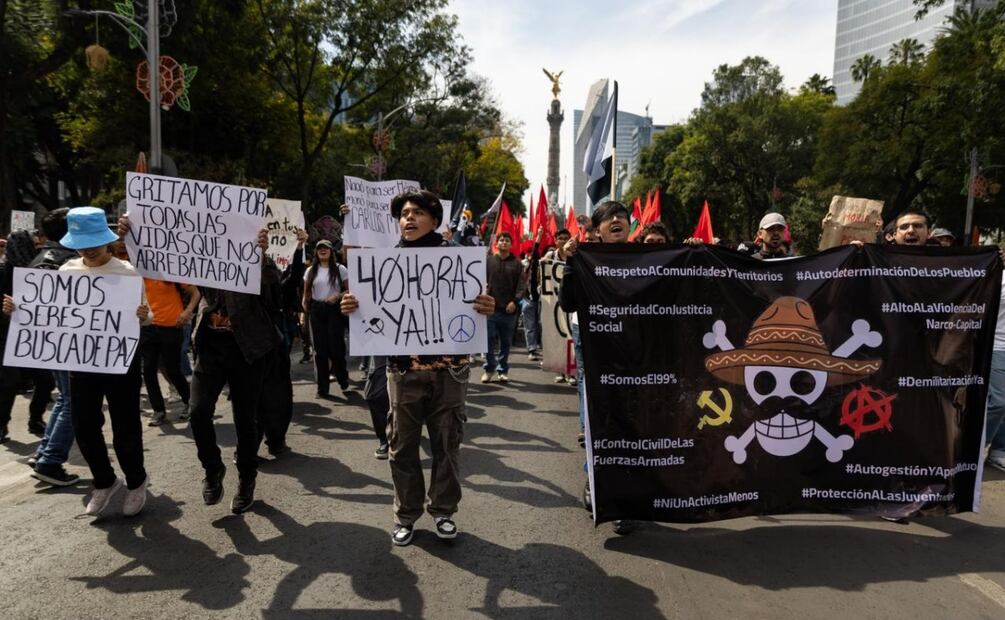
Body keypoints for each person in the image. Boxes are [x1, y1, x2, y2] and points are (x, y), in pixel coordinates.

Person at [341, 189, 495, 546]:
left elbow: (479, 304)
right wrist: (352, 306)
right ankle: (406, 515)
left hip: (450, 372)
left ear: (435, 221)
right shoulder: (382, 264)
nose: (408, 218)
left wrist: (487, 304)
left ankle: (443, 511)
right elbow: (367, 312)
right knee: (401, 447)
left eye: (417, 213)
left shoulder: (460, 259)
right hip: (403, 372)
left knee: (447, 445)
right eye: (404, 213)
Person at [4, 207, 154, 516]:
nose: (89, 249)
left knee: (125, 427)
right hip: (81, 362)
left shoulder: (128, 272)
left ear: (108, 242)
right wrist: (20, 310)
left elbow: (148, 314)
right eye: (83, 243)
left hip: (119, 363)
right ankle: (104, 481)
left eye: (95, 243)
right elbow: (51, 314)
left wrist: (144, 316)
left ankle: (137, 482)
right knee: (84, 426)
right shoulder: (67, 271)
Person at [558, 200, 635, 536]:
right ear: (598, 231)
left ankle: (628, 497)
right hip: (599, 354)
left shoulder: (647, 259)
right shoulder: (585, 259)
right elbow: (568, 303)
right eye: (609, 218)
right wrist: (573, 264)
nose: (616, 221)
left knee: (633, 427)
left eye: (622, 217)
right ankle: (597, 482)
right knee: (598, 422)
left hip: (640, 358)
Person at [23, 208, 78, 485]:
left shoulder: (37, 259)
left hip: (49, 342)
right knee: (75, 403)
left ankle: (45, 452)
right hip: (71, 343)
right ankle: (50, 461)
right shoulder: (71, 262)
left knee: (65, 400)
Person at [141, 278, 200, 426]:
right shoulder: (137, 273)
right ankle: (159, 411)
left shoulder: (170, 271)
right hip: (147, 328)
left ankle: (188, 402)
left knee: (172, 369)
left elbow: (196, 293)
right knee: (148, 370)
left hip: (171, 327)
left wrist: (187, 312)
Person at [0, 230, 40, 444]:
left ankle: (35, 420)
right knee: (10, 381)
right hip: (9, 335)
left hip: (27, 333)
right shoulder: (4, 270)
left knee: (41, 380)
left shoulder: (37, 270)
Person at [303, 239, 350, 398]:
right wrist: (304, 313)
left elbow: (350, 290)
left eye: (326, 248)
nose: (323, 250)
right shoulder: (310, 270)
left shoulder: (340, 269)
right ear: (316, 252)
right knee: (320, 351)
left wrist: (337, 296)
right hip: (316, 310)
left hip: (334, 311)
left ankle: (342, 378)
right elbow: (306, 294)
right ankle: (322, 389)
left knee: (336, 349)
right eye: (319, 248)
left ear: (331, 251)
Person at [482, 231, 525, 383]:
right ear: (497, 243)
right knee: (487, 341)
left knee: (505, 343)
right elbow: (481, 282)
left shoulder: (517, 263)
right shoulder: (488, 261)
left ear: (511, 244)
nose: (504, 242)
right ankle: (489, 368)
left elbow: (521, 286)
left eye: (507, 240)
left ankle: (502, 370)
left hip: (509, 311)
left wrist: (515, 301)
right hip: (490, 309)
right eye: (501, 240)